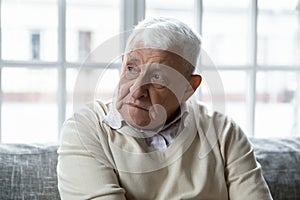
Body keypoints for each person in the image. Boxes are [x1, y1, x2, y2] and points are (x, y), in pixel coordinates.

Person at [57, 17, 273, 200]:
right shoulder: (85, 128)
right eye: (132, 68)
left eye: (158, 76)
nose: (136, 90)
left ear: (189, 87)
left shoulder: (224, 132)